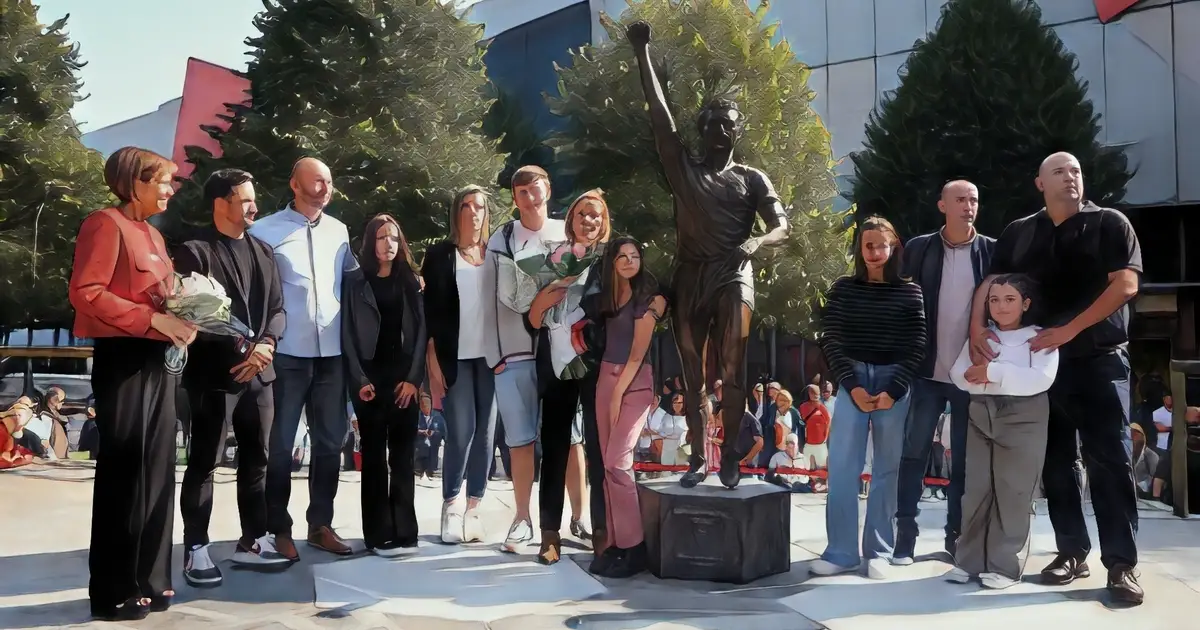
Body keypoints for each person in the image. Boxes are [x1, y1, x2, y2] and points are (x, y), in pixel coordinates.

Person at [967, 152, 1143, 603]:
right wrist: (975, 329)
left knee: (1110, 459)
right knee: (1056, 463)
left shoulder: (1109, 223)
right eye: (1060, 172)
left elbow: (1124, 285)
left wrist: (1067, 330)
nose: (1071, 178)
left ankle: (1121, 564)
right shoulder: (1020, 232)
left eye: (1076, 171)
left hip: (1099, 357)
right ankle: (1071, 551)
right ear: (1040, 183)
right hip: (1039, 368)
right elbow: (990, 284)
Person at [627, 21, 790, 489]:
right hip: (690, 276)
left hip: (735, 272)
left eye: (728, 122)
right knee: (693, 375)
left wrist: (758, 242)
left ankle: (732, 458)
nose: (720, 128)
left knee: (734, 366)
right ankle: (699, 458)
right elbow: (660, 116)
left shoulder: (753, 178)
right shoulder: (683, 170)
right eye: (711, 123)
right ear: (700, 130)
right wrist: (642, 52)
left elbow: (781, 225)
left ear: (739, 130)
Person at [69, 147, 197, 620]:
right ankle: (113, 588)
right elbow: (87, 291)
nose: (171, 188)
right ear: (134, 183)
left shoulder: (153, 236)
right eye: (164, 180)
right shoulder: (104, 225)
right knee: (125, 472)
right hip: (123, 359)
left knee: (159, 467)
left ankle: (152, 578)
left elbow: (167, 296)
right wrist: (152, 321)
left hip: (159, 360)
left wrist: (186, 316)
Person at [173, 169, 289, 587]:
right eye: (245, 200)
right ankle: (196, 547)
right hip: (213, 376)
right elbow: (190, 315)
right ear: (220, 203)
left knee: (257, 459)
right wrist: (240, 351)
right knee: (204, 462)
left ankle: (254, 539)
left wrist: (266, 347)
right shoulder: (194, 251)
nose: (254, 207)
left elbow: (277, 308)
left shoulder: (264, 250)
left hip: (261, 374)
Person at [251, 157, 359, 560]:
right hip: (287, 354)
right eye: (316, 180)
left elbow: (354, 281)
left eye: (329, 181)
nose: (324, 187)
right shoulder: (264, 231)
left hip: (332, 354)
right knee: (280, 446)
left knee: (331, 444)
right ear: (294, 184)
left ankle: (320, 524)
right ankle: (278, 527)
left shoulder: (340, 230)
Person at [811, 215, 926, 579]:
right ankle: (840, 552)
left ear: (894, 247)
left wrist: (893, 391)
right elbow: (831, 339)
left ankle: (879, 550)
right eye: (869, 245)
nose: (876, 252)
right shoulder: (843, 288)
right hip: (853, 379)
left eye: (882, 245)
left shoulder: (911, 291)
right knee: (843, 468)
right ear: (860, 250)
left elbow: (917, 344)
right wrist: (853, 386)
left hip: (894, 381)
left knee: (886, 470)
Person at [895, 179, 995, 562]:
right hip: (925, 372)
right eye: (960, 199)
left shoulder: (991, 252)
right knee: (913, 454)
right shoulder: (920, 249)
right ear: (942, 205)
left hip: (970, 374)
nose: (968, 206)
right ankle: (905, 534)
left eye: (973, 199)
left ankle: (956, 537)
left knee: (965, 464)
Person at [948, 274, 1058, 589]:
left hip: (1023, 417)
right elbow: (960, 374)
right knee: (977, 489)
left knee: (1015, 492)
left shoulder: (1039, 337)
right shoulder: (983, 337)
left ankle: (1006, 566)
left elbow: (1040, 378)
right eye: (994, 300)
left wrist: (992, 373)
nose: (1001, 306)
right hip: (981, 414)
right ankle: (968, 560)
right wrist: (987, 377)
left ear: (1025, 303)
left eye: (1010, 299)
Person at [342, 213, 427, 557]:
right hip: (370, 381)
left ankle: (405, 531)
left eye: (393, 238)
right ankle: (377, 534)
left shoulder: (412, 282)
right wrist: (360, 380)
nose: (388, 244)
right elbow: (347, 334)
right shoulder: (356, 282)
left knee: (404, 457)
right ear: (370, 242)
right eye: (381, 238)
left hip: (403, 379)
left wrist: (414, 380)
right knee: (373, 457)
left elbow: (422, 334)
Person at [422, 185, 498, 544]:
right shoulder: (439, 255)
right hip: (455, 357)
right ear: (457, 213)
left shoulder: (497, 255)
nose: (473, 212)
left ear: (487, 214)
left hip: (493, 358)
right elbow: (431, 315)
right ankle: (451, 505)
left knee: (486, 435)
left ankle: (474, 508)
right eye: (466, 206)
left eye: (480, 207)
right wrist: (432, 364)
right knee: (461, 431)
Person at [591, 237, 666, 578]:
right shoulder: (608, 297)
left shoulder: (649, 300)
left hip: (633, 383)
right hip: (606, 377)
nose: (628, 261)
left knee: (617, 462)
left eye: (634, 255)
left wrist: (618, 393)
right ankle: (615, 543)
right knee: (606, 468)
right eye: (621, 256)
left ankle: (635, 546)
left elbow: (637, 354)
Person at [798, 384, 831, 491]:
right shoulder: (803, 406)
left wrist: (825, 438)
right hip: (808, 442)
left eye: (817, 393)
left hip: (821, 443)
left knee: (822, 466)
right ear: (809, 394)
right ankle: (812, 484)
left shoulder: (823, 408)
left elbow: (828, 422)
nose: (815, 395)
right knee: (808, 466)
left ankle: (821, 484)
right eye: (813, 393)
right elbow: (803, 418)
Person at [415, 393, 445, 479]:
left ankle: (434, 470)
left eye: (427, 405)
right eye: (423, 405)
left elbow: (443, 430)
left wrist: (434, 432)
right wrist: (422, 432)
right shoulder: (416, 415)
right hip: (420, 442)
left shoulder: (438, 416)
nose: (425, 407)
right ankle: (418, 469)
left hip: (434, 443)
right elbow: (411, 429)